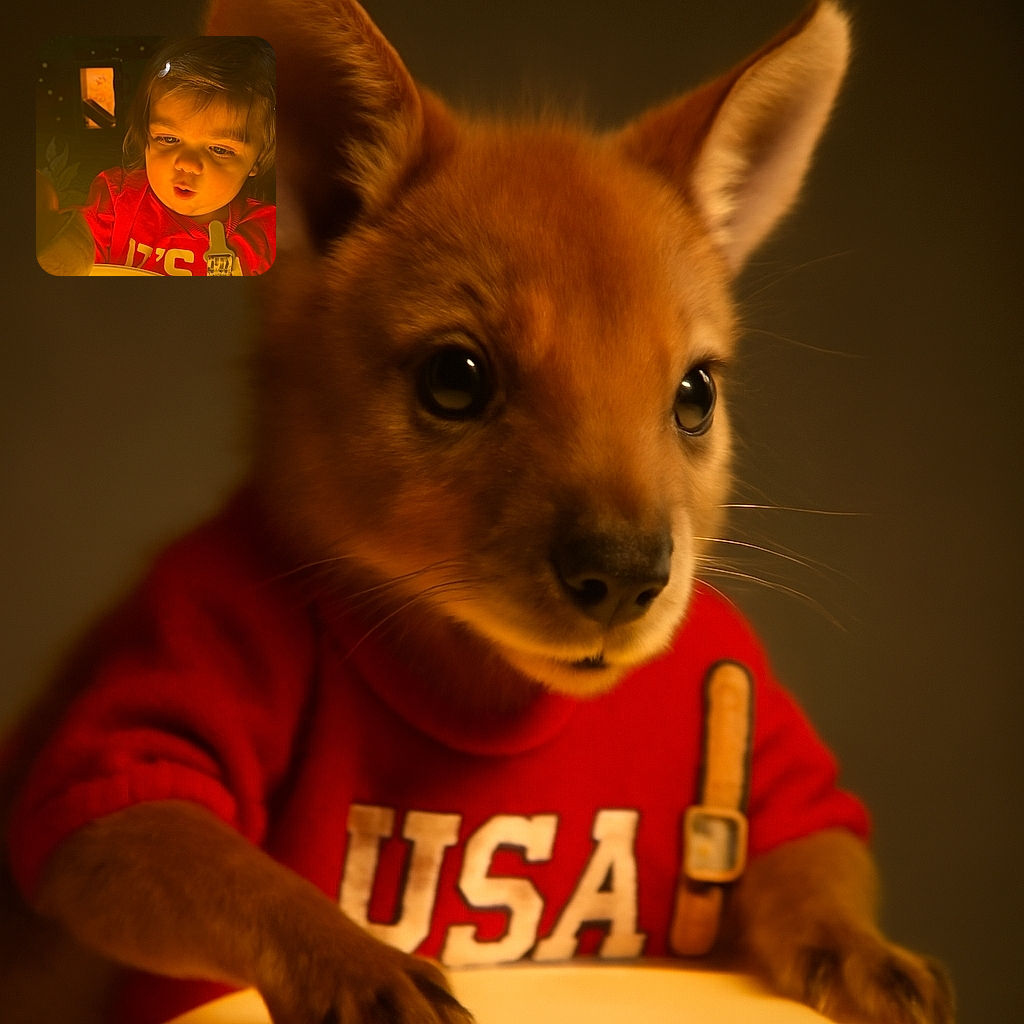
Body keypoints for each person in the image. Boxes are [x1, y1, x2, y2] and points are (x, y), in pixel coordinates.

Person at [80, 36, 276, 276]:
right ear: (146, 138)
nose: (187, 164)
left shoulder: (265, 234)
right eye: (168, 139)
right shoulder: (114, 199)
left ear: (256, 160)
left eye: (220, 149)